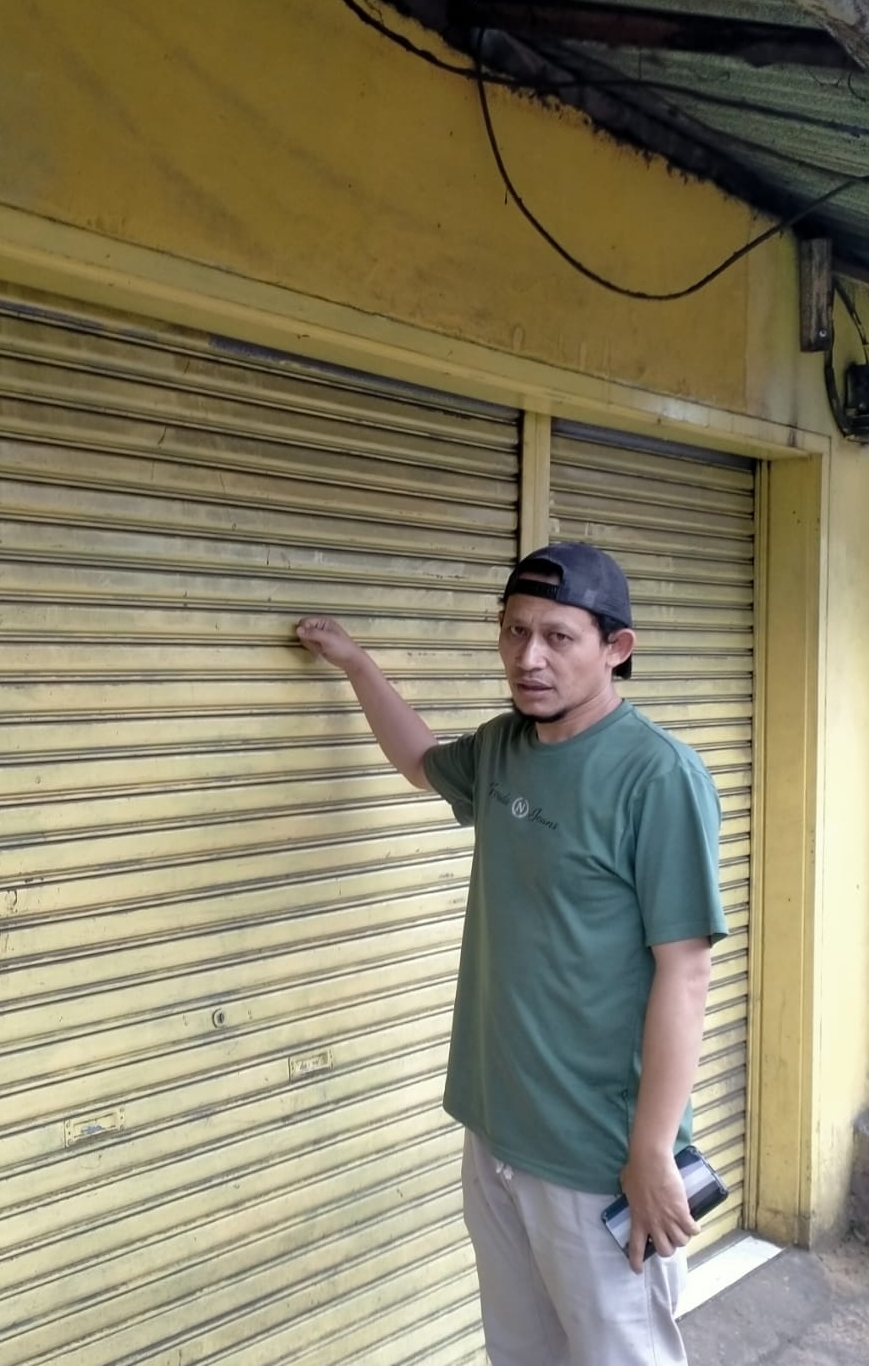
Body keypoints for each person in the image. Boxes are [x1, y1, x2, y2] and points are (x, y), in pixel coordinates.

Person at [296, 541, 727, 1366]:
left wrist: (649, 1152)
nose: (528, 658)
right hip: (496, 1131)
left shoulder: (656, 776)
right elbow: (419, 762)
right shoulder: (502, 748)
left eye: (557, 637)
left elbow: (685, 971)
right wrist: (355, 666)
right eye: (513, 631)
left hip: (596, 1155)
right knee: (521, 1353)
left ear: (616, 648)